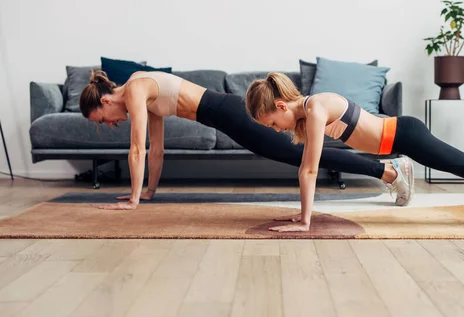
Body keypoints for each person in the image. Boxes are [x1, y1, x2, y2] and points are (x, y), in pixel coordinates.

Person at [245, 72, 464, 232]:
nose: (277, 130)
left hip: (404, 135)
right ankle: (397, 172)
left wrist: (305, 221)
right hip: (395, 142)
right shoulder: (307, 114)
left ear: (280, 105)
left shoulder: (316, 108)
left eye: (273, 123)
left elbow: (308, 169)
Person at [78, 70, 416, 211]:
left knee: (302, 157)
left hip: (227, 112)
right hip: (224, 115)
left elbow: (136, 148)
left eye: (102, 121)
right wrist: (148, 192)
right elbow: (156, 149)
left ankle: (389, 170)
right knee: (301, 157)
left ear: (105, 101)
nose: (109, 125)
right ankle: (387, 170)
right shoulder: (141, 89)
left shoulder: (136, 89)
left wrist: (134, 201)